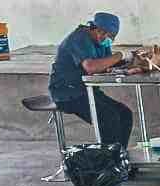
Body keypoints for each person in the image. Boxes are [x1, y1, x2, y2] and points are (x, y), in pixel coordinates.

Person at [48, 12, 134, 149]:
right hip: (67, 93)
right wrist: (120, 55)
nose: (107, 39)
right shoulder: (79, 38)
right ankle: (106, 165)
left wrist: (133, 61)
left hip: (87, 90)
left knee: (125, 114)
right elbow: (91, 67)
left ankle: (119, 160)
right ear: (95, 28)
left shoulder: (102, 41)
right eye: (105, 34)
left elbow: (107, 64)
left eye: (112, 37)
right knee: (108, 118)